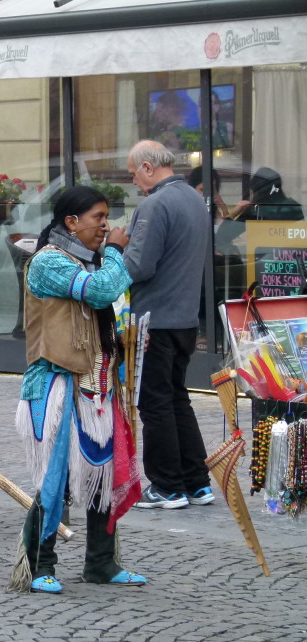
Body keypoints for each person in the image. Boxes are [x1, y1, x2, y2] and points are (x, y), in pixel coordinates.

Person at [9, 186, 145, 594]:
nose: (105, 226)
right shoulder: (48, 261)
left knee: (102, 474)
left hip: (98, 386)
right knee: (59, 479)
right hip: (56, 385)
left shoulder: (90, 261)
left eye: (107, 218)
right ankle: (37, 565)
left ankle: (102, 563)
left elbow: (102, 309)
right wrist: (118, 252)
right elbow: (100, 291)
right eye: (97, 217)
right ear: (71, 222)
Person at [125, 140, 214, 510]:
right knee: (178, 400)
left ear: (148, 167)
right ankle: (196, 482)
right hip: (184, 318)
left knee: (156, 404)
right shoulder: (195, 200)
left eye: (133, 174)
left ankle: (167, 486)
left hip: (155, 319)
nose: (133, 182)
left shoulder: (154, 204)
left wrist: (115, 251)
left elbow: (140, 266)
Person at [229, 167, 304, 222]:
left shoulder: (256, 210)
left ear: (257, 190)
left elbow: (223, 236)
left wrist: (234, 213)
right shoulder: (292, 206)